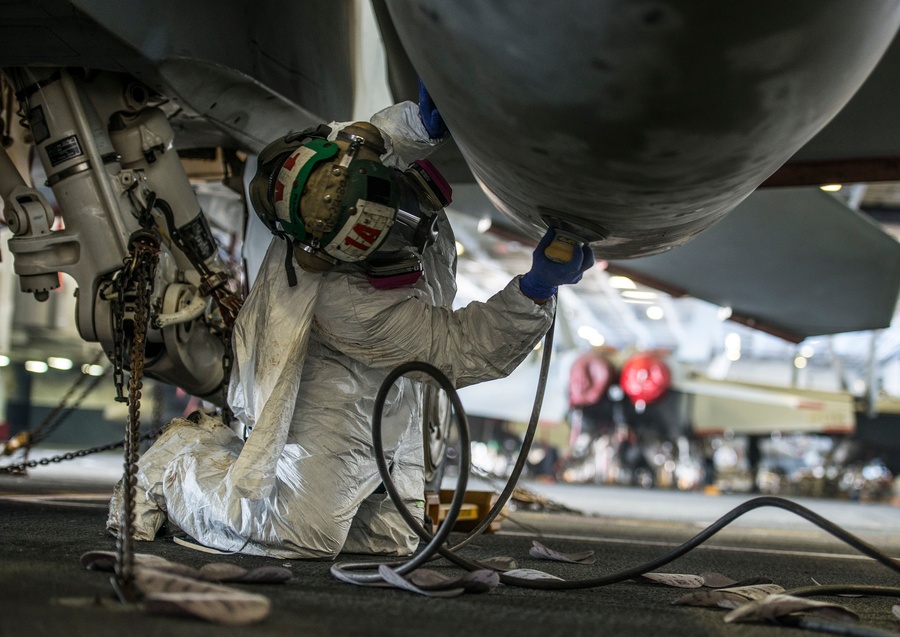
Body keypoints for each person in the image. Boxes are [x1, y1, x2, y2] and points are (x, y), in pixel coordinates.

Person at [107, 85, 594, 559]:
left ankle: (303, 491)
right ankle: (175, 465)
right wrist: (533, 292)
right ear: (353, 255)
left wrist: (418, 126)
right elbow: (457, 349)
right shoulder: (355, 303)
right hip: (334, 401)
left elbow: (370, 137)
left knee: (394, 540)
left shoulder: (335, 173)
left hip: (389, 392)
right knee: (306, 535)